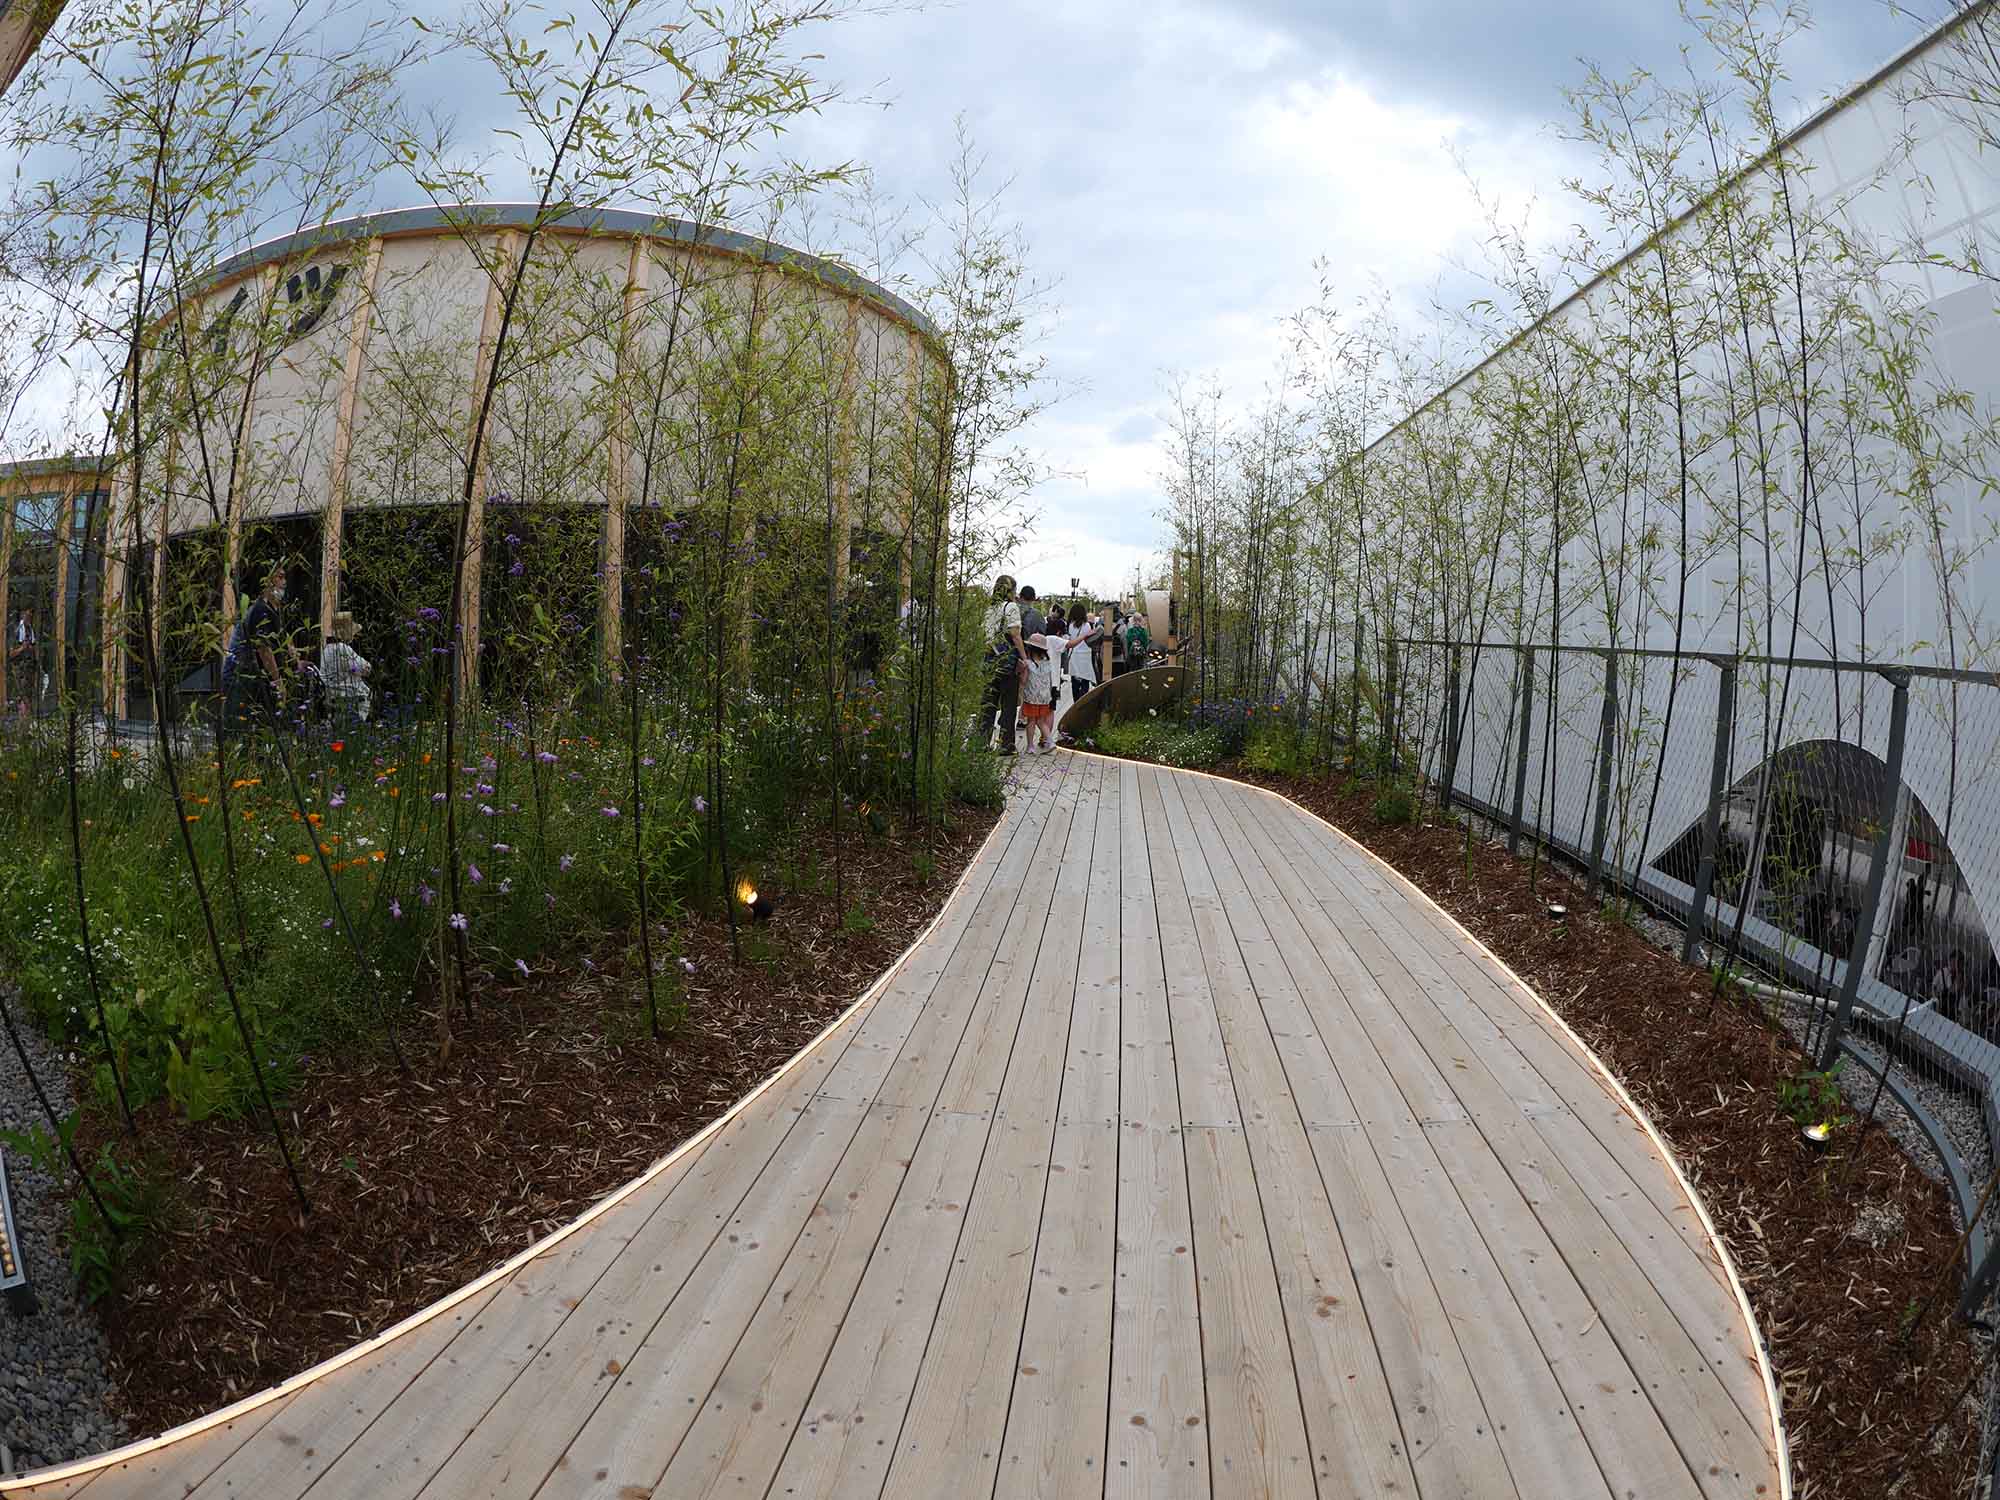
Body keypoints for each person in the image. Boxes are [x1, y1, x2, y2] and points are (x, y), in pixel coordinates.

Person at [222, 565, 290, 742]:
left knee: (255, 726)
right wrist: (278, 682)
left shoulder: (274, 609)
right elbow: (264, 649)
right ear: (267, 582)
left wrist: (297, 660)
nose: (284, 582)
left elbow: (283, 637)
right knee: (239, 729)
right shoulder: (260, 609)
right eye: (280, 577)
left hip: (251, 675)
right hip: (241, 675)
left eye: (284, 577)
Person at [979, 574, 1025, 754]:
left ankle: (981, 742)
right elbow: (1015, 634)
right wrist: (1024, 658)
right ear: (1010, 590)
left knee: (988, 704)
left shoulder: (989, 608)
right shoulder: (1010, 607)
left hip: (989, 660)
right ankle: (1006, 744)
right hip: (1006, 661)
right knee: (1008, 704)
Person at [320, 610, 373, 726]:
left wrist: (354, 669)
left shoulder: (327, 649)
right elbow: (365, 669)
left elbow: (352, 667)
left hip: (333, 694)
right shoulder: (342, 648)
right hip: (350, 695)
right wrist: (356, 670)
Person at [1019, 634, 1062, 753]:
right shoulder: (1048, 664)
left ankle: (1030, 746)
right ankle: (1050, 741)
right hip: (1044, 698)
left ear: (1030, 649)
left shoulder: (1028, 664)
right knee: (1041, 721)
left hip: (1031, 698)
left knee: (1031, 721)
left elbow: (1023, 681)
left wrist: (1021, 672)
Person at [1064, 601, 1101, 707]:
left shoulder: (1070, 625)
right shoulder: (1087, 625)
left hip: (1074, 655)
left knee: (1074, 683)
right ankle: (1083, 703)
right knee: (1085, 680)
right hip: (1085, 656)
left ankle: (1076, 704)